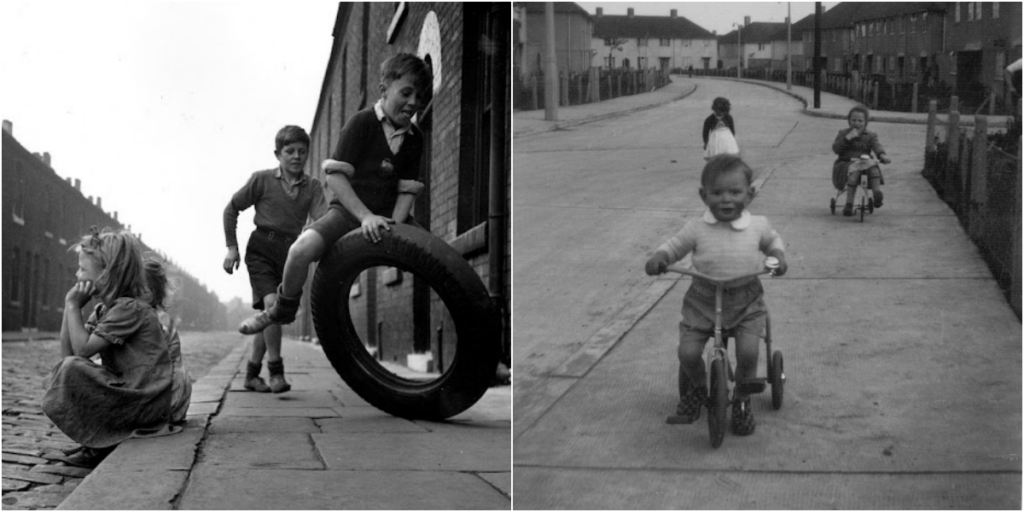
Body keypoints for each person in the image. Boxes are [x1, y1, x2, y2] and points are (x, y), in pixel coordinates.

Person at [238, 53, 430, 336]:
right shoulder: (362, 123)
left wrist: (395, 227)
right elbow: (336, 178)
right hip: (348, 213)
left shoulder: (415, 137)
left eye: (419, 96)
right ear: (384, 90)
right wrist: (364, 216)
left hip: (389, 217)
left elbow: (406, 189)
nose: (413, 102)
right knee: (299, 250)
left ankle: (484, 352)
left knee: (440, 261)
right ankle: (281, 307)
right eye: (406, 93)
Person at [645, 155, 788, 436]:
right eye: (717, 192)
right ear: (703, 195)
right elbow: (675, 246)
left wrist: (777, 255)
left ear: (750, 194)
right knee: (687, 352)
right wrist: (660, 257)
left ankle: (743, 401)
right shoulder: (696, 228)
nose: (726, 199)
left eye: (735, 192)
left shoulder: (757, 225)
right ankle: (699, 389)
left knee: (748, 350)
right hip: (703, 300)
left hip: (746, 300)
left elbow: (772, 241)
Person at [42, 229, 187, 468]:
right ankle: (94, 443)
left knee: (74, 370)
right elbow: (68, 355)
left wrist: (73, 307)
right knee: (71, 370)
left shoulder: (131, 308)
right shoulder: (105, 310)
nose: (78, 275)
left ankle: (96, 448)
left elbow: (80, 353)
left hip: (147, 402)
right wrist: (70, 309)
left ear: (107, 274)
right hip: (135, 394)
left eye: (83, 270)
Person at [223, 125, 328, 393]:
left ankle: (251, 375)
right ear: (277, 154)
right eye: (289, 151)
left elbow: (324, 220)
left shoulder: (313, 187)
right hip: (261, 250)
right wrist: (232, 248)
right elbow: (231, 209)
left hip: (291, 255)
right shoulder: (262, 180)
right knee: (273, 305)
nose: (296, 156)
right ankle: (276, 372)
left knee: (268, 315)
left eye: (302, 152)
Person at [831, 105, 891, 216]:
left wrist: (882, 155)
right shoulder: (843, 133)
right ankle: (849, 204)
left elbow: (876, 146)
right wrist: (847, 138)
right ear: (849, 121)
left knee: (874, 169)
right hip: (847, 162)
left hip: (864, 162)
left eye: (860, 121)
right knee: (854, 173)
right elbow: (836, 148)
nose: (856, 123)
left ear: (866, 122)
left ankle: (876, 193)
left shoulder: (870, 135)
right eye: (853, 120)